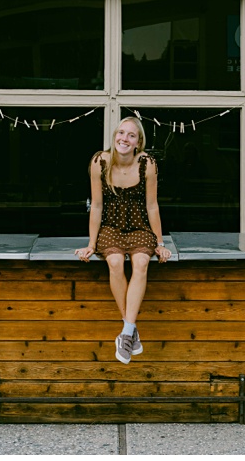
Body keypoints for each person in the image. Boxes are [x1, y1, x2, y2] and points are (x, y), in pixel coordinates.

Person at [74, 116, 171, 364]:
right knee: (115, 262)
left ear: (138, 142)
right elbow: (96, 206)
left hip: (139, 225)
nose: (124, 139)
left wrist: (160, 243)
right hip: (111, 226)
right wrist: (91, 245)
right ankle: (131, 330)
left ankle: (126, 332)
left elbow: (152, 206)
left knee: (141, 262)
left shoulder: (147, 164)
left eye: (131, 135)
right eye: (121, 133)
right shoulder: (100, 162)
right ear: (114, 136)